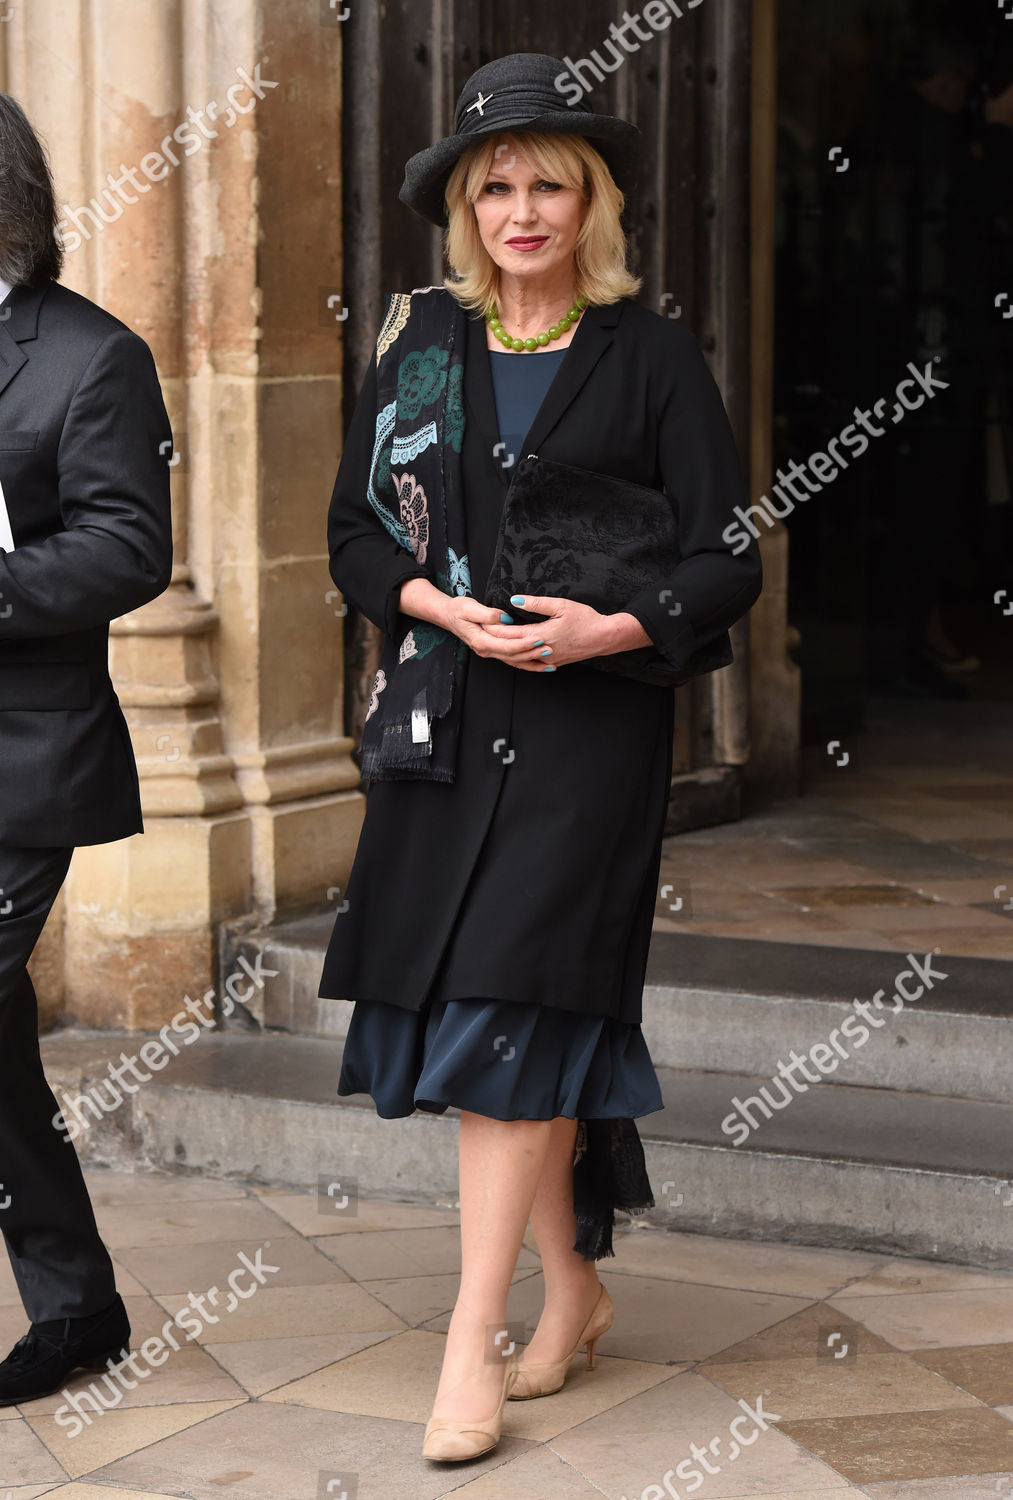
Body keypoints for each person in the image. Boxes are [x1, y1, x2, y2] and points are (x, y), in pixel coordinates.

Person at [319, 53, 762, 1463]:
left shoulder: (650, 355)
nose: (522, 209)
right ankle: (573, 1283)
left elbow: (725, 560)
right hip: (446, 732)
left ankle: (474, 1334)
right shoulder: (422, 350)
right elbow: (350, 535)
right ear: (464, 205)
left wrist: (613, 627)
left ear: (592, 204)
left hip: (586, 739)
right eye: (495, 185)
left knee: (513, 1013)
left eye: (548, 185)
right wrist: (426, 602)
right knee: (506, 1025)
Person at [0, 95, 172, 1404]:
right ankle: (81, 1309)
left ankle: (77, 1306)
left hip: (21, 759)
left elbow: (126, 551)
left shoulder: (90, 357)